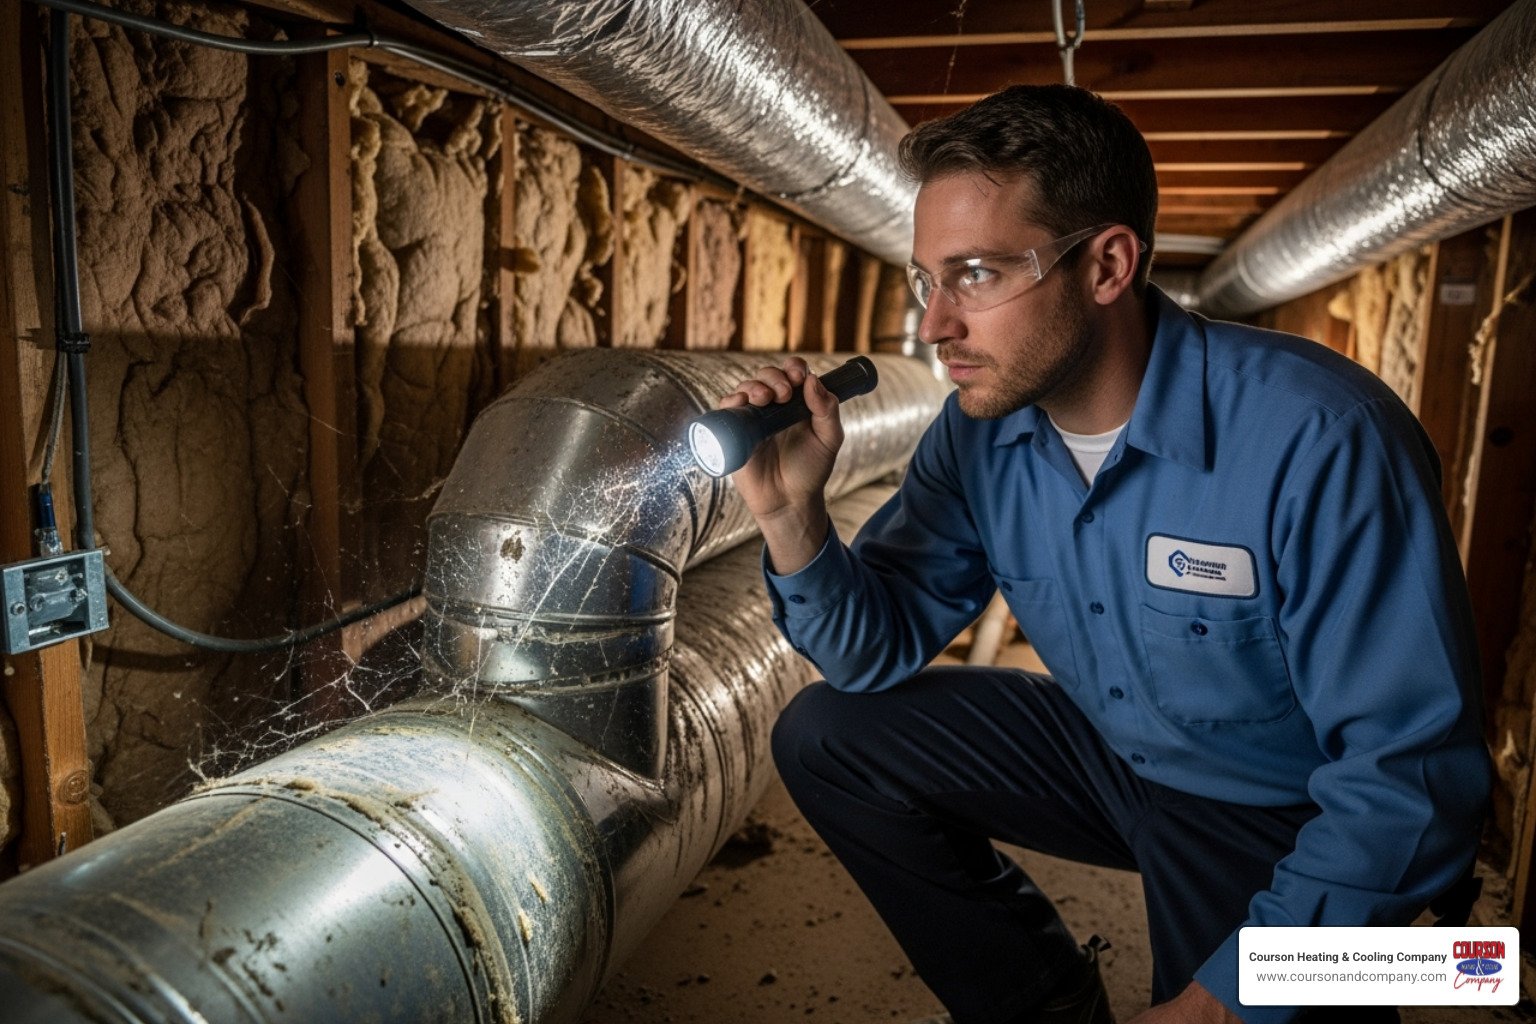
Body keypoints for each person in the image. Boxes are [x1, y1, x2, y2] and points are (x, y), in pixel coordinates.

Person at [719, 85, 1491, 1024]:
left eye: (977, 275)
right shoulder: (978, 438)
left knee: (1322, 990)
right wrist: (792, 514)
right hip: (1114, 749)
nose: (936, 326)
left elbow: (1416, 784)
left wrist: (1218, 1002)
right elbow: (869, 654)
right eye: (929, 279)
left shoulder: (1324, 437)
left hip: (1279, 808)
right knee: (828, 734)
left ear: (1108, 264)